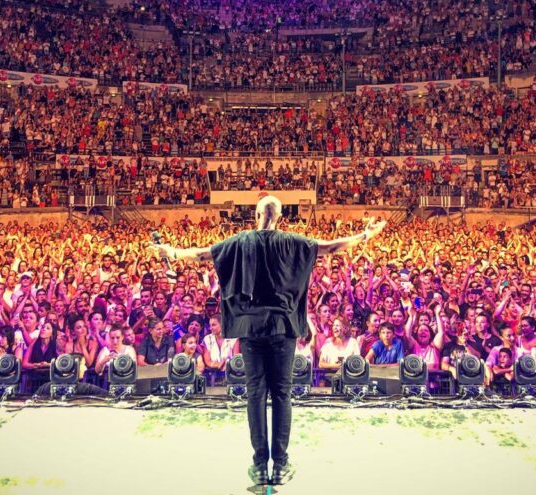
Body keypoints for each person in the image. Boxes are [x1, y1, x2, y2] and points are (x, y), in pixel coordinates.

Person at [152, 195, 386, 486]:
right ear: (280, 216)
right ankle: (281, 464)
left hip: (250, 329)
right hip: (282, 328)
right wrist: (367, 234)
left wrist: (170, 252)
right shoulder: (292, 241)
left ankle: (260, 465)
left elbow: (201, 255)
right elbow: (332, 246)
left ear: (256, 214)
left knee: (255, 394)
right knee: (282, 394)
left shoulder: (240, 240)